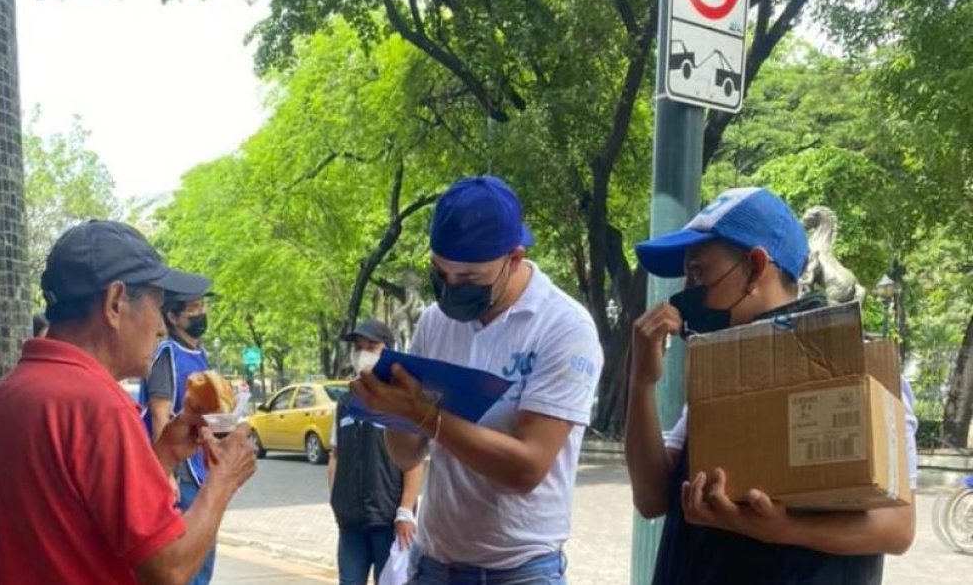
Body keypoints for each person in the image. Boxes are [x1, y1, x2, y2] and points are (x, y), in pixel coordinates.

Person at [624, 187, 919, 584]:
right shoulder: (720, 377)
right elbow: (652, 498)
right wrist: (641, 382)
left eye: (698, 271)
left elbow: (897, 527)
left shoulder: (857, 364)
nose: (688, 289)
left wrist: (784, 529)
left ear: (756, 265)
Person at [0, 220, 256, 585]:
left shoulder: (7, 396)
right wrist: (224, 478)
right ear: (115, 302)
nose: (161, 328)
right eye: (158, 305)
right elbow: (167, 570)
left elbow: (79, 517)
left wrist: (165, 453)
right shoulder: (97, 405)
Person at [352, 176, 604, 585]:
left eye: (468, 278)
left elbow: (527, 467)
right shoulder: (435, 322)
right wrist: (392, 410)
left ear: (514, 258)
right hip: (434, 563)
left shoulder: (563, 327)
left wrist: (423, 414)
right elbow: (406, 456)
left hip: (520, 571)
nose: (451, 288)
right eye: (440, 273)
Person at [329, 318, 425, 585]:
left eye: (371, 347)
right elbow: (336, 455)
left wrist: (405, 511)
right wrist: (336, 501)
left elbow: (415, 461)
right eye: (358, 347)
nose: (363, 353)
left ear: (388, 351)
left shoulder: (399, 399)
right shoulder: (346, 402)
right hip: (351, 524)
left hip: (389, 521)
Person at [140, 287, 218, 584]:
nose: (201, 314)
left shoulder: (201, 354)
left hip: (200, 466)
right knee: (188, 553)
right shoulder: (168, 355)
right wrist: (168, 474)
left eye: (202, 307)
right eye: (193, 309)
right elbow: (160, 413)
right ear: (172, 317)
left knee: (205, 551)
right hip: (182, 470)